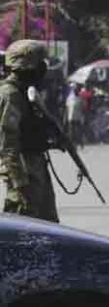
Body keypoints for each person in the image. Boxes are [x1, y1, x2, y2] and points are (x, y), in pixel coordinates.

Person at [0, 40, 59, 222]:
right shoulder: (11, 95)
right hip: (24, 172)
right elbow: (7, 143)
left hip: (36, 165)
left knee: (49, 226)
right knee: (23, 230)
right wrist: (19, 184)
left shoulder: (27, 92)